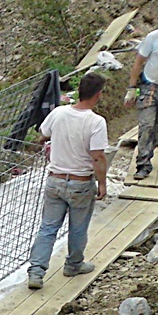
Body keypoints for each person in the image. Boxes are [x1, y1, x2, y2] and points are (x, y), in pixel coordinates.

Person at [26, 71, 109, 290]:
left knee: (48, 227)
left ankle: (36, 271)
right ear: (98, 94)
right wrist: (102, 183)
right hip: (81, 182)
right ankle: (73, 264)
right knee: (78, 227)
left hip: (55, 180)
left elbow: (42, 134)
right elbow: (98, 156)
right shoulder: (96, 122)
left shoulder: (59, 113)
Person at [125, 25, 158, 181]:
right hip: (149, 86)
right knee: (147, 125)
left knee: (157, 129)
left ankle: (148, 155)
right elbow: (139, 62)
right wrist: (132, 88)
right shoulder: (154, 37)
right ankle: (143, 165)